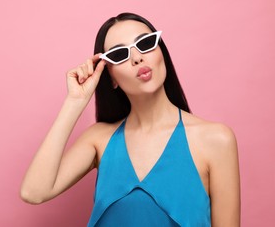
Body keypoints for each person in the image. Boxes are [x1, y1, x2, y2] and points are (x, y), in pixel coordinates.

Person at [20, 12, 240, 226]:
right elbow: (33, 192)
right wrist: (75, 101)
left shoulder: (215, 139)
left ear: (161, 51)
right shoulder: (100, 139)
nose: (137, 58)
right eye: (119, 55)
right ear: (111, 77)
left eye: (145, 43)